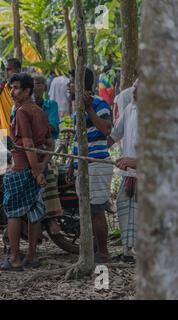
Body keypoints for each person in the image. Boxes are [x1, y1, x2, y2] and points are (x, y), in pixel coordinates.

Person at [0, 73, 53, 271]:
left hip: (20, 169)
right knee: (34, 211)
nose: (12, 91)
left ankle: (15, 258)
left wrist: (36, 171)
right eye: (11, 87)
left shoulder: (21, 112)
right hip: (34, 170)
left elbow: (27, 145)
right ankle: (32, 256)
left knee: (13, 213)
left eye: (17, 88)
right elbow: (49, 145)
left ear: (27, 91)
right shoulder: (39, 111)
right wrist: (41, 168)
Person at [67, 68, 113, 263]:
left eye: (71, 81)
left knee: (96, 210)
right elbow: (79, 139)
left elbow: (106, 129)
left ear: (79, 83)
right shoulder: (77, 107)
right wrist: (72, 163)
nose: (68, 85)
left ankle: (104, 253)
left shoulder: (100, 104)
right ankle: (93, 250)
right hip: (83, 166)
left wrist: (89, 109)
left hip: (96, 164)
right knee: (87, 209)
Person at [108, 79, 138, 263]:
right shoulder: (130, 110)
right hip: (129, 175)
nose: (134, 92)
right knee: (125, 209)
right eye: (134, 88)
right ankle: (128, 252)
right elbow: (114, 135)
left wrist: (135, 161)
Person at [33, 74, 63, 234]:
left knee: (48, 171)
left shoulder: (51, 105)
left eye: (39, 83)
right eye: (33, 83)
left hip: (47, 148)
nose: (36, 86)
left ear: (45, 87)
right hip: (28, 148)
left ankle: (52, 218)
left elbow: (53, 126)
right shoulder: (20, 106)